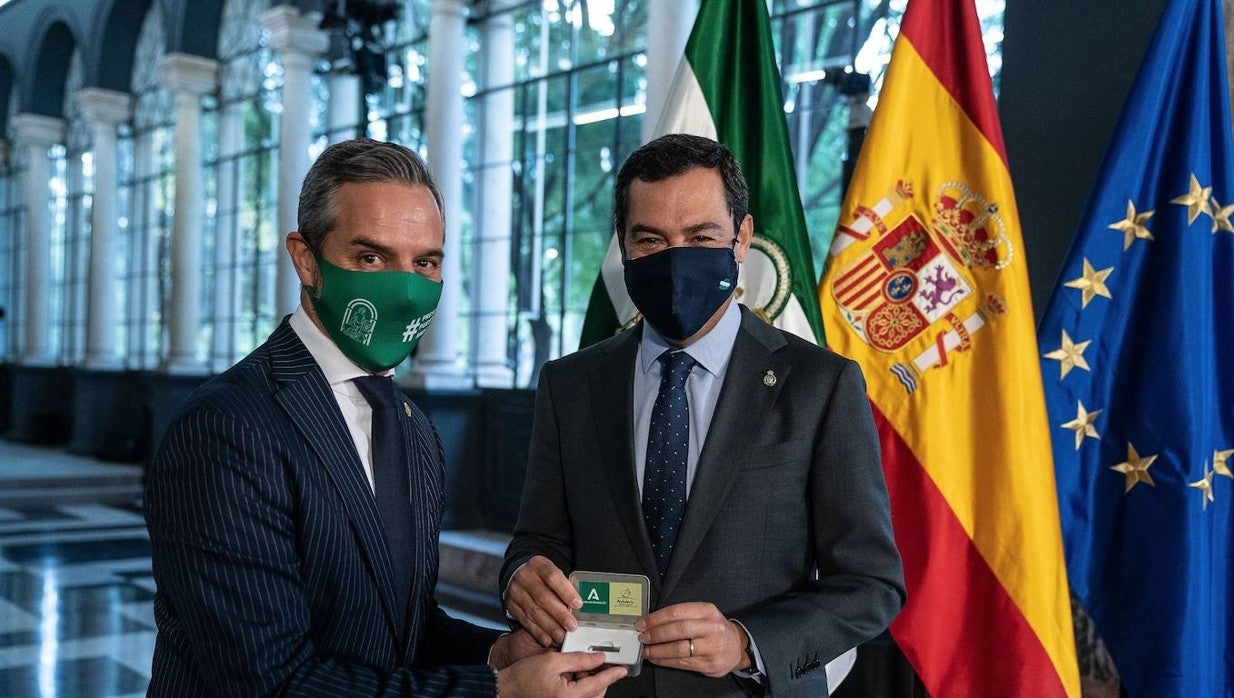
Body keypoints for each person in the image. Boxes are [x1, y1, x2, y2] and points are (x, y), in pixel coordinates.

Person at [145, 138, 626, 697]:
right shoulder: (227, 427)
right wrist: (501, 693)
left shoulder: (414, 430)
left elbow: (400, 629)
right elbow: (271, 682)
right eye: (371, 257)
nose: (403, 288)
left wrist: (498, 653)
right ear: (306, 259)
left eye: (425, 262)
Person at [500, 134, 905, 697]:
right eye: (650, 241)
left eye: (700, 236)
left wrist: (746, 642)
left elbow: (870, 584)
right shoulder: (570, 383)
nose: (674, 261)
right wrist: (520, 576)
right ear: (623, 245)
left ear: (741, 238)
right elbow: (535, 542)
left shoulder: (821, 385)